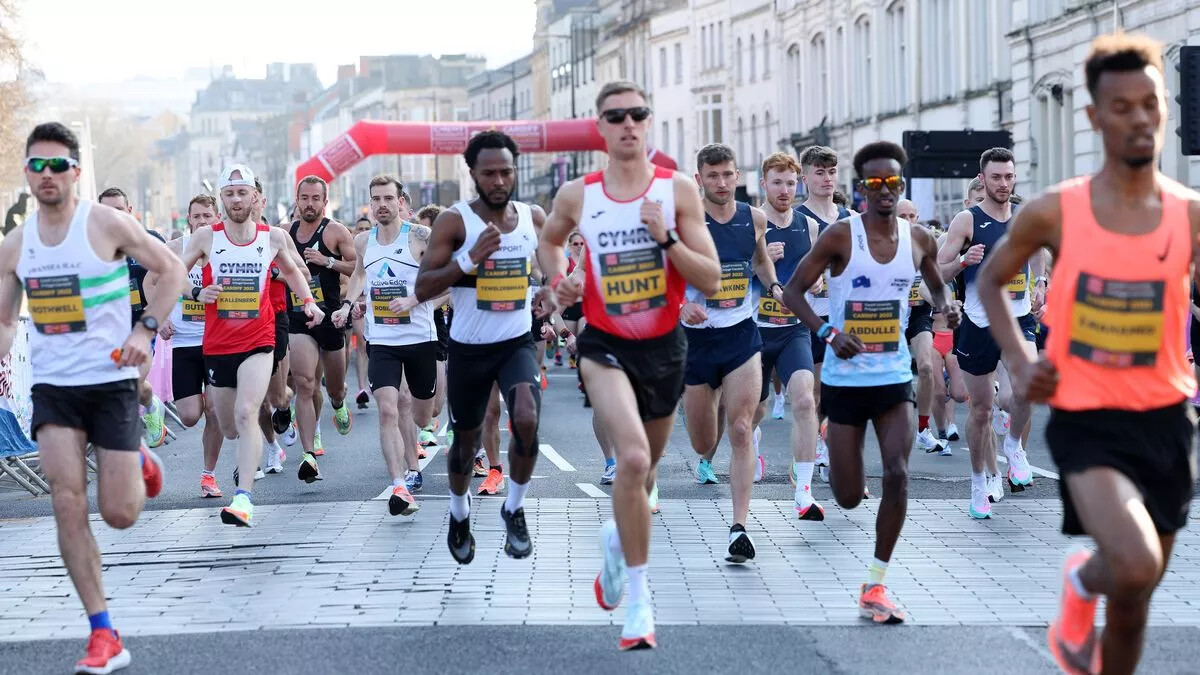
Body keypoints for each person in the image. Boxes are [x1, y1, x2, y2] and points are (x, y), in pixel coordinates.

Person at [977, 33, 1199, 675]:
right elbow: (992, 280)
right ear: (1094, 117)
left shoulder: (1188, 213)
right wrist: (1021, 360)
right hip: (1087, 416)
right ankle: (1080, 579)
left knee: (1135, 599)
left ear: (1166, 108)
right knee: (1133, 563)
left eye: (1150, 104)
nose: (1139, 119)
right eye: (1121, 107)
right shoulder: (1057, 211)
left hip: (1166, 417)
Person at [540, 80, 719, 649]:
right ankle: (639, 605)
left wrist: (665, 240)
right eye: (615, 116)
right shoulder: (578, 194)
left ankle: (617, 543)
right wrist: (561, 280)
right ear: (600, 128)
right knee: (633, 458)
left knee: (646, 474)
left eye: (636, 114)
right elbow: (550, 241)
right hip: (604, 344)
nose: (627, 124)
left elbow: (712, 278)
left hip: (664, 347)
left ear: (648, 121)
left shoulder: (677, 189)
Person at [0, 122, 179, 673]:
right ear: (27, 172)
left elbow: (171, 270)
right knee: (66, 501)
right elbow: (4, 321)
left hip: (111, 383)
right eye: (37, 165)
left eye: (58, 165)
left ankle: (139, 459)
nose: (47, 175)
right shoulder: (17, 244)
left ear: (75, 172)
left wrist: (144, 329)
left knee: (119, 513)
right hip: (54, 389)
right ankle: (102, 631)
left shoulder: (105, 223)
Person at [780, 140, 959, 625]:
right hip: (844, 382)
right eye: (875, 183)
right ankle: (830, 437)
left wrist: (947, 306)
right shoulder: (841, 236)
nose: (885, 190)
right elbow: (792, 292)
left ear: (901, 184)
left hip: (893, 377)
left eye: (892, 182)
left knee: (898, 472)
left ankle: (876, 583)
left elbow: (935, 283)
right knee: (847, 495)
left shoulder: (918, 238)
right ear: (861, 188)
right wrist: (827, 333)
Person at [415, 130, 548, 564]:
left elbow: (552, 264)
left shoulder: (532, 217)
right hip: (469, 348)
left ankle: (515, 508)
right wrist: (469, 259)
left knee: (526, 418)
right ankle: (459, 512)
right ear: (472, 173)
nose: (499, 180)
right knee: (465, 443)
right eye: (489, 173)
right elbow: (423, 287)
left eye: (506, 171)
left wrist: (553, 287)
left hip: (516, 342)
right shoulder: (455, 222)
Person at [179, 164, 323, 527]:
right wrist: (196, 291)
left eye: (242, 192)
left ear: (254, 196)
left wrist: (308, 302)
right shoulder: (206, 238)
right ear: (222, 199)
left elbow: (293, 271)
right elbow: (173, 274)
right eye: (229, 194)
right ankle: (249, 462)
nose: (236, 199)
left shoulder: (272, 237)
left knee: (247, 412)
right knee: (230, 427)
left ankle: (243, 498)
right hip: (218, 344)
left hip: (259, 339)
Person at [680, 143, 781, 562]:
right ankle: (706, 418)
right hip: (695, 340)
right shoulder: (685, 222)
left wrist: (774, 286)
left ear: (738, 176)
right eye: (713, 175)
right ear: (699, 178)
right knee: (703, 441)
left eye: (728, 175)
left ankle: (739, 526)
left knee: (740, 428)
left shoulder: (753, 218)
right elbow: (663, 273)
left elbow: (759, 261)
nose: (721, 183)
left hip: (740, 333)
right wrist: (680, 305)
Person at [937, 147, 1044, 518]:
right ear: (982, 179)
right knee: (981, 410)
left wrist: (1040, 282)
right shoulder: (967, 220)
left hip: (1017, 318)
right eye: (996, 177)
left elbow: (1037, 252)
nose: (1003, 184)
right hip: (979, 323)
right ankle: (979, 483)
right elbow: (939, 270)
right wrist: (963, 260)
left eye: (1009, 176)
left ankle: (1013, 446)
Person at [334, 175, 446, 514]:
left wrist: (414, 300)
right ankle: (400, 484)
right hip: (382, 339)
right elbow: (360, 274)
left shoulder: (421, 237)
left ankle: (414, 458)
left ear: (400, 202)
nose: (381, 205)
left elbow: (448, 281)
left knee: (424, 414)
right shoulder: (364, 241)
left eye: (388, 198)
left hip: (420, 338)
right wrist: (348, 305)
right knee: (389, 407)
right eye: (376, 199)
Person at [752, 152, 824, 519]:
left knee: (805, 401)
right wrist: (760, 260)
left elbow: (815, 272)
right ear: (763, 184)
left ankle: (804, 491)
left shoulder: (808, 225)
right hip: (754, 330)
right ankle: (752, 443)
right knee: (753, 411)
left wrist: (818, 282)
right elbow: (725, 275)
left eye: (790, 183)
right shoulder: (750, 222)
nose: (784, 190)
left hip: (793, 329)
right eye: (777, 182)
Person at [155, 194, 226, 496]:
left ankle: (208, 475)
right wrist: (159, 318)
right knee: (188, 416)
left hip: (218, 340)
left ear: (217, 218)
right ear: (188, 220)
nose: (201, 221)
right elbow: (150, 282)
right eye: (196, 216)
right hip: (184, 341)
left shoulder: (227, 248)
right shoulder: (175, 249)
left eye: (207, 216)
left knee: (215, 411)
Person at [288, 176, 356, 481]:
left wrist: (327, 262)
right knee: (305, 383)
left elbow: (358, 267)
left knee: (334, 387)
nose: (309, 203)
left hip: (330, 317)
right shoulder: (285, 233)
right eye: (305, 198)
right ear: (297, 200)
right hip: (299, 316)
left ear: (325, 202)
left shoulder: (336, 231)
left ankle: (339, 403)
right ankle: (309, 453)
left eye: (316, 198)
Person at [797, 145, 854, 482]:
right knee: (818, 391)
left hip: (846, 318)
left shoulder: (851, 218)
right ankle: (818, 447)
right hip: (812, 319)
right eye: (819, 172)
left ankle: (837, 456)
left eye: (831, 172)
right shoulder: (798, 220)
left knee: (843, 392)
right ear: (805, 178)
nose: (827, 179)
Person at [98, 187, 169, 449]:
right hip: (108, 332)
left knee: (129, 383)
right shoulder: (93, 248)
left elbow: (172, 276)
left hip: (142, 328)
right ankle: (151, 405)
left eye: (118, 210)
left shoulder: (150, 241)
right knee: (132, 387)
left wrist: (163, 314)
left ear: (130, 210)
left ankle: (126, 448)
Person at [895, 199, 946, 455]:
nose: (907, 220)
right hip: (888, 315)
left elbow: (937, 280)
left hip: (918, 313)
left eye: (911, 215)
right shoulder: (881, 244)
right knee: (893, 377)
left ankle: (923, 429)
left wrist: (945, 303)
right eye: (902, 216)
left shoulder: (925, 242)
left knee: (925, 367)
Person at [350, 215, 372, 409]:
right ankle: (362, 388)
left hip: (382, 305)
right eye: (360, 228)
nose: (364, 231)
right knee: (363, 344)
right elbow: (350, 280)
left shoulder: (379, 247)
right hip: (359, 304)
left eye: (367, 228)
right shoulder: (352, 253)